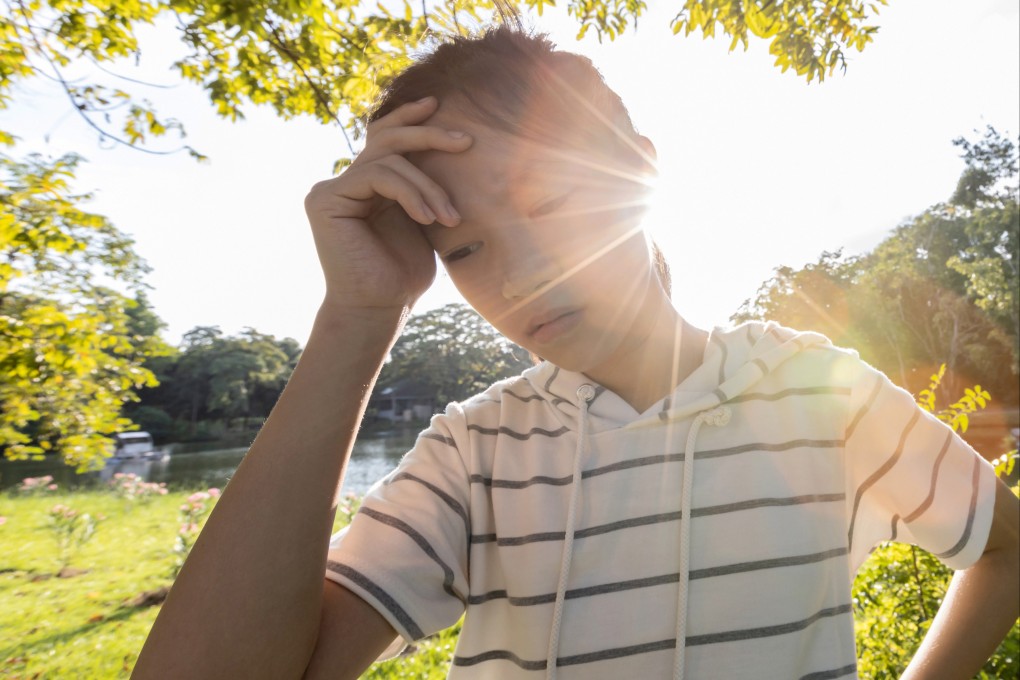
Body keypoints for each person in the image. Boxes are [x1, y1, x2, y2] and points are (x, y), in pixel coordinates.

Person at [132, 25, 1019, 680]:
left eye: (549, 202)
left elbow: (1006, 549)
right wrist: (358, 316)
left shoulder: (818, 393)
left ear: (637, 171)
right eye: (464, 248)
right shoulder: (475, 455)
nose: (517, 275)